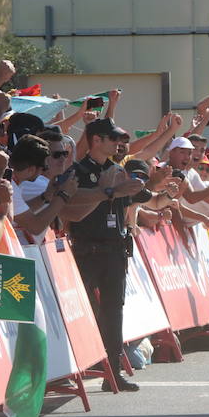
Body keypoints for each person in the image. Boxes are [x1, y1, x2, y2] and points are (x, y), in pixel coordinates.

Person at [67, 118, 148, 392]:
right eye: (112, 139)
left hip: (114, 249)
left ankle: (112, 373)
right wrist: (108, 190)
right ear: (96, 140)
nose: (118, 143)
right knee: (84, 310)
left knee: (114, 312)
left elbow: (133, 202)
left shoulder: (117, 169)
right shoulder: (77, 170)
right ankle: (74, 367)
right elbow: (71, 200)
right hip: (86, 248)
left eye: (118, 139)